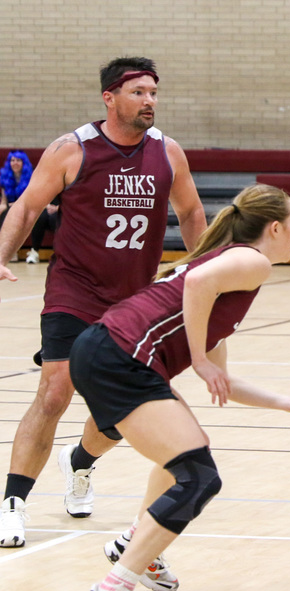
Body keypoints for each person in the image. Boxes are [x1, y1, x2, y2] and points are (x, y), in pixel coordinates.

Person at [71, 183, 290, 591]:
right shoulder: (251, 263)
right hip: (119, 357)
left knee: (185, 459)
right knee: (200, 477)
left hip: (105, 351)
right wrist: (195, 357)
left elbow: (223, 379)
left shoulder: (227, 279)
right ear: (274, 228)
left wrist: (287, 403)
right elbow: (196, 287)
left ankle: (137, 542)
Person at [0, 57, 206, 552]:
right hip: (75, 291)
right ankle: (12, 503)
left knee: (123, 409)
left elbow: (193, 211)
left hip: (135, 300)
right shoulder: (72, 150)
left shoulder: (168, 153)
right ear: (109, 98)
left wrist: (204, 272)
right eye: (138, 92)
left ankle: (80, 464)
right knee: (55, 392)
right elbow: (27, 206)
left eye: (153, 92)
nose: (149, 101)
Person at [0, 151, 59, 264]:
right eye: (12, 160)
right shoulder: (5, 177)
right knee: (4, 213)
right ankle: (7, 252)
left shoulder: (31, 177)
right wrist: (3, 206)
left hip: (29, 206)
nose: (15, 163)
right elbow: (4, 200)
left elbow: (29, 200)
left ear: (23, 162)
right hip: (12, 206)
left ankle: (35, 251)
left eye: (18, 160)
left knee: (41, 217)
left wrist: (7, 206)